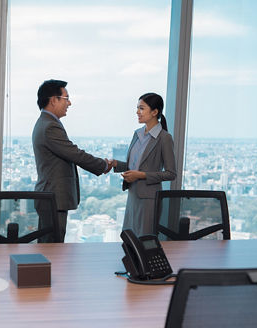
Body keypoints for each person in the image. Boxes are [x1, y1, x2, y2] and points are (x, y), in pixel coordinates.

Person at [32, 79, 112, 242]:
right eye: (66, 98)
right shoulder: (50, 126)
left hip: (51, 195)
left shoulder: (46, 123)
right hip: (53, 196)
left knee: (51, 245)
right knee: (52, 248)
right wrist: (103, 165)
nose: (70, 103)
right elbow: (75, 154)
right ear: (54, 100)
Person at [111, 93, 176, 237]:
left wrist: (141, 175)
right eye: (137, 108)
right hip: (133, 195)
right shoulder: (138, 134)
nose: (137, 112)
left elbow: (171, 173)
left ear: (154, 112)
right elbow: (134, 166)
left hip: (149, 199)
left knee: (144, 242)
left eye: (141, 108)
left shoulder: (164, 138)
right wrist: (116, 164)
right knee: (129, 240)